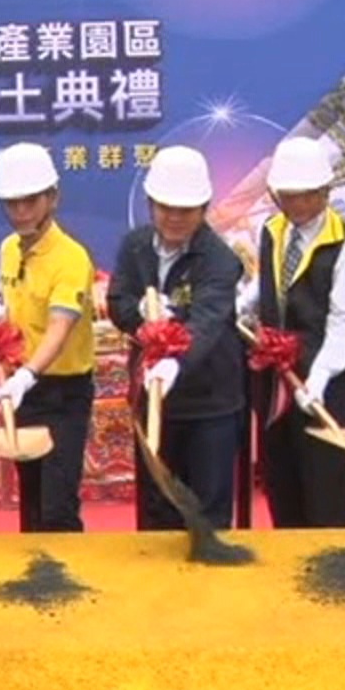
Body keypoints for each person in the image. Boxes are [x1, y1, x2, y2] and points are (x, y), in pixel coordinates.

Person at [105, 146, 247, 531]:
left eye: (185, 210)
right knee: (157, 512)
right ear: (151, 204)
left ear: (203, 208)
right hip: (153, 402)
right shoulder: (135, 246)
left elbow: (207, 321)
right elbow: (118, 300)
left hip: (208, 404)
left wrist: (174, 359)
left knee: (207, 515)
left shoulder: (220, 260)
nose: (174, 217)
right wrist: (142, 322)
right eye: (165, 207)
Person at [252, 136, 345, 528]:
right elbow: (268, 285)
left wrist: (317, 378)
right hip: (276, 385)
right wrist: (239, 304)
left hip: (322, 387)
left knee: (324, 492)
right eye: (287, 196)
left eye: (305, 196)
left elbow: (343, 322)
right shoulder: (272, 231)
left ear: (325, 191)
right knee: (282, 484)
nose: (296, 205)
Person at [0, 143, 98, 533]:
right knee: (32, 501)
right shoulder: (7, 249)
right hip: (25, 390)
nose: (21, 212)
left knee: (57, 506)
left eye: (30, 201)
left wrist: (27, 374)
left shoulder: (71, 257)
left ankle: (67, 571)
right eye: (11, 203)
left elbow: (59, 327)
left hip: (63, 393)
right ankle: (33, 567)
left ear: (53, 197)